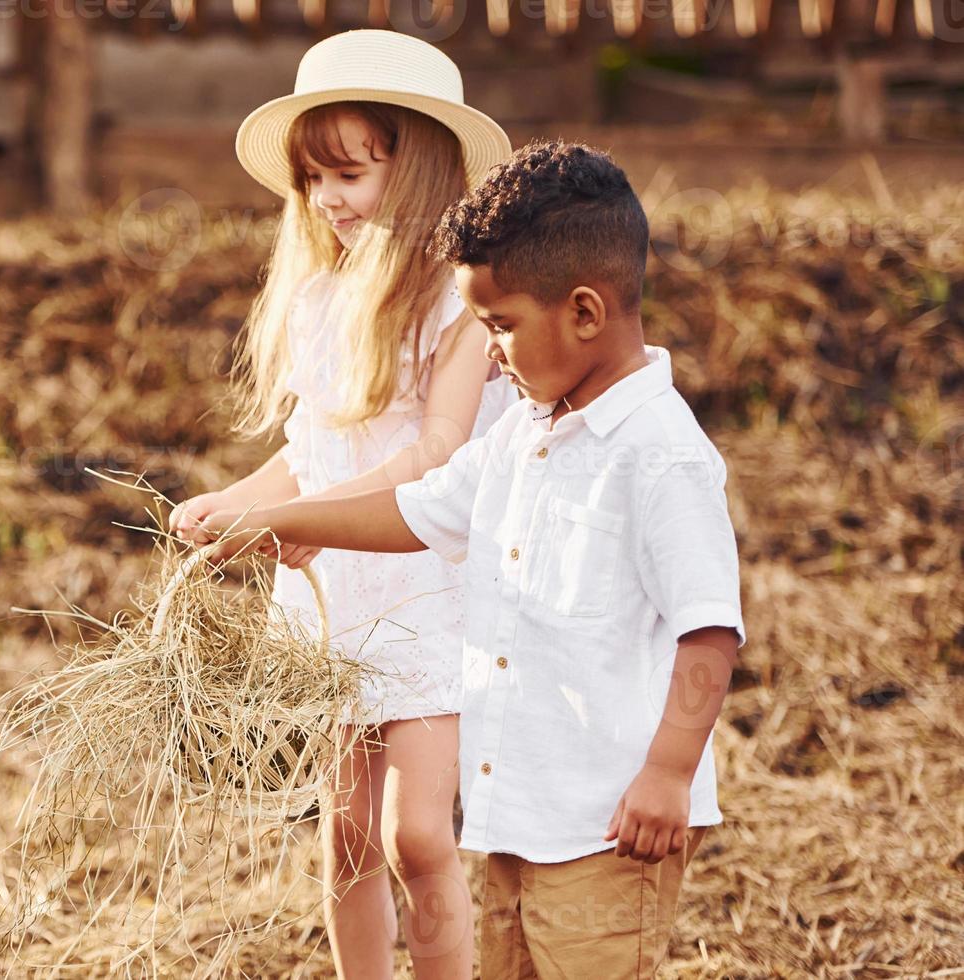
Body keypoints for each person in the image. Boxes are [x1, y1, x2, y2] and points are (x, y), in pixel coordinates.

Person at [194, 139, 745, 979]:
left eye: (501, 327)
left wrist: (668, 775)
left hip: (611, 825)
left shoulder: (660, 455)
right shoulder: (527, 433)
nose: (490, 353)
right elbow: (417, 510)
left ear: (586, 313)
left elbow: (710, 631)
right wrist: (275, 521)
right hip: (518, 817)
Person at [168, 29, 513, 980]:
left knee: (418, 837)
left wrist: (292, 523)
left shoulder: (460, 305)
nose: (327, 199)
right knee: (347, 831)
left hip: (423, 584)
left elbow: (434, 454)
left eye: (350, 174)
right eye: (312, 179)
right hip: (335, 598)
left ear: (420, 169)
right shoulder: (319, 300)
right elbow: (312, 452)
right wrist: (229, 504)